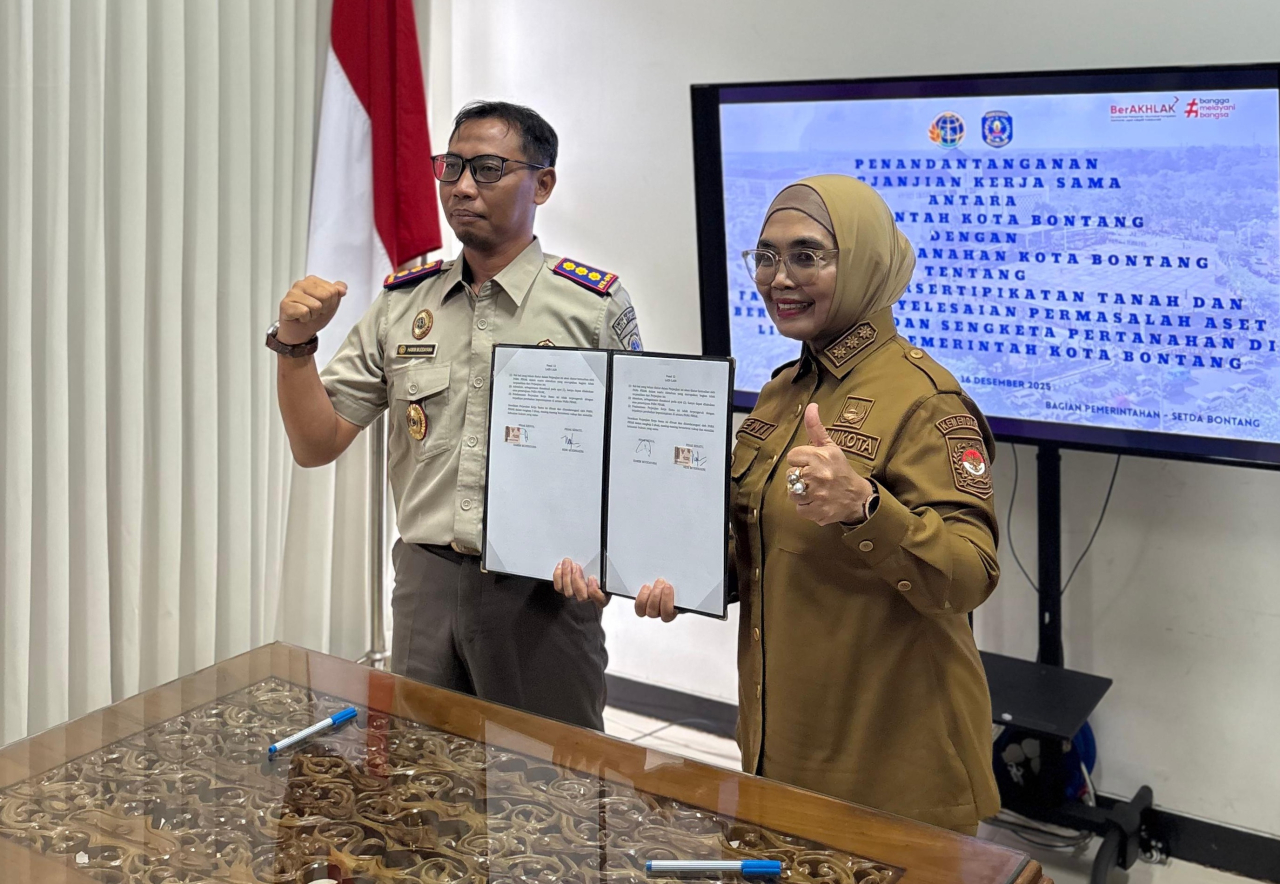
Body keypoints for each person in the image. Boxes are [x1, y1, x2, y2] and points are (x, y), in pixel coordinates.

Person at [621, 175, 1001, 834]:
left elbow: (970, 575)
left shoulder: (925, 400)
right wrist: (685, 578)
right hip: (782, 745)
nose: (778, 278)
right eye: (766, 256)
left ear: (861, 263)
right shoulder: (782, 393)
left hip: (895, 767)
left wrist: (864, 507)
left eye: (807, 256)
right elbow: (764, 553)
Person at [267, 100, 643, 730]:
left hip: (540, 594)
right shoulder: (402, 304)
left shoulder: (591, 307)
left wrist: (617, 560)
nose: (464, 186)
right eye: (452, 167)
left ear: (542, 184)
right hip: (426, 584)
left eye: (490, 168)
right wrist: (296, 345)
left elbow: (635, 458)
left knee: (547, 797)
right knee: (426, 791)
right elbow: (315, 442)